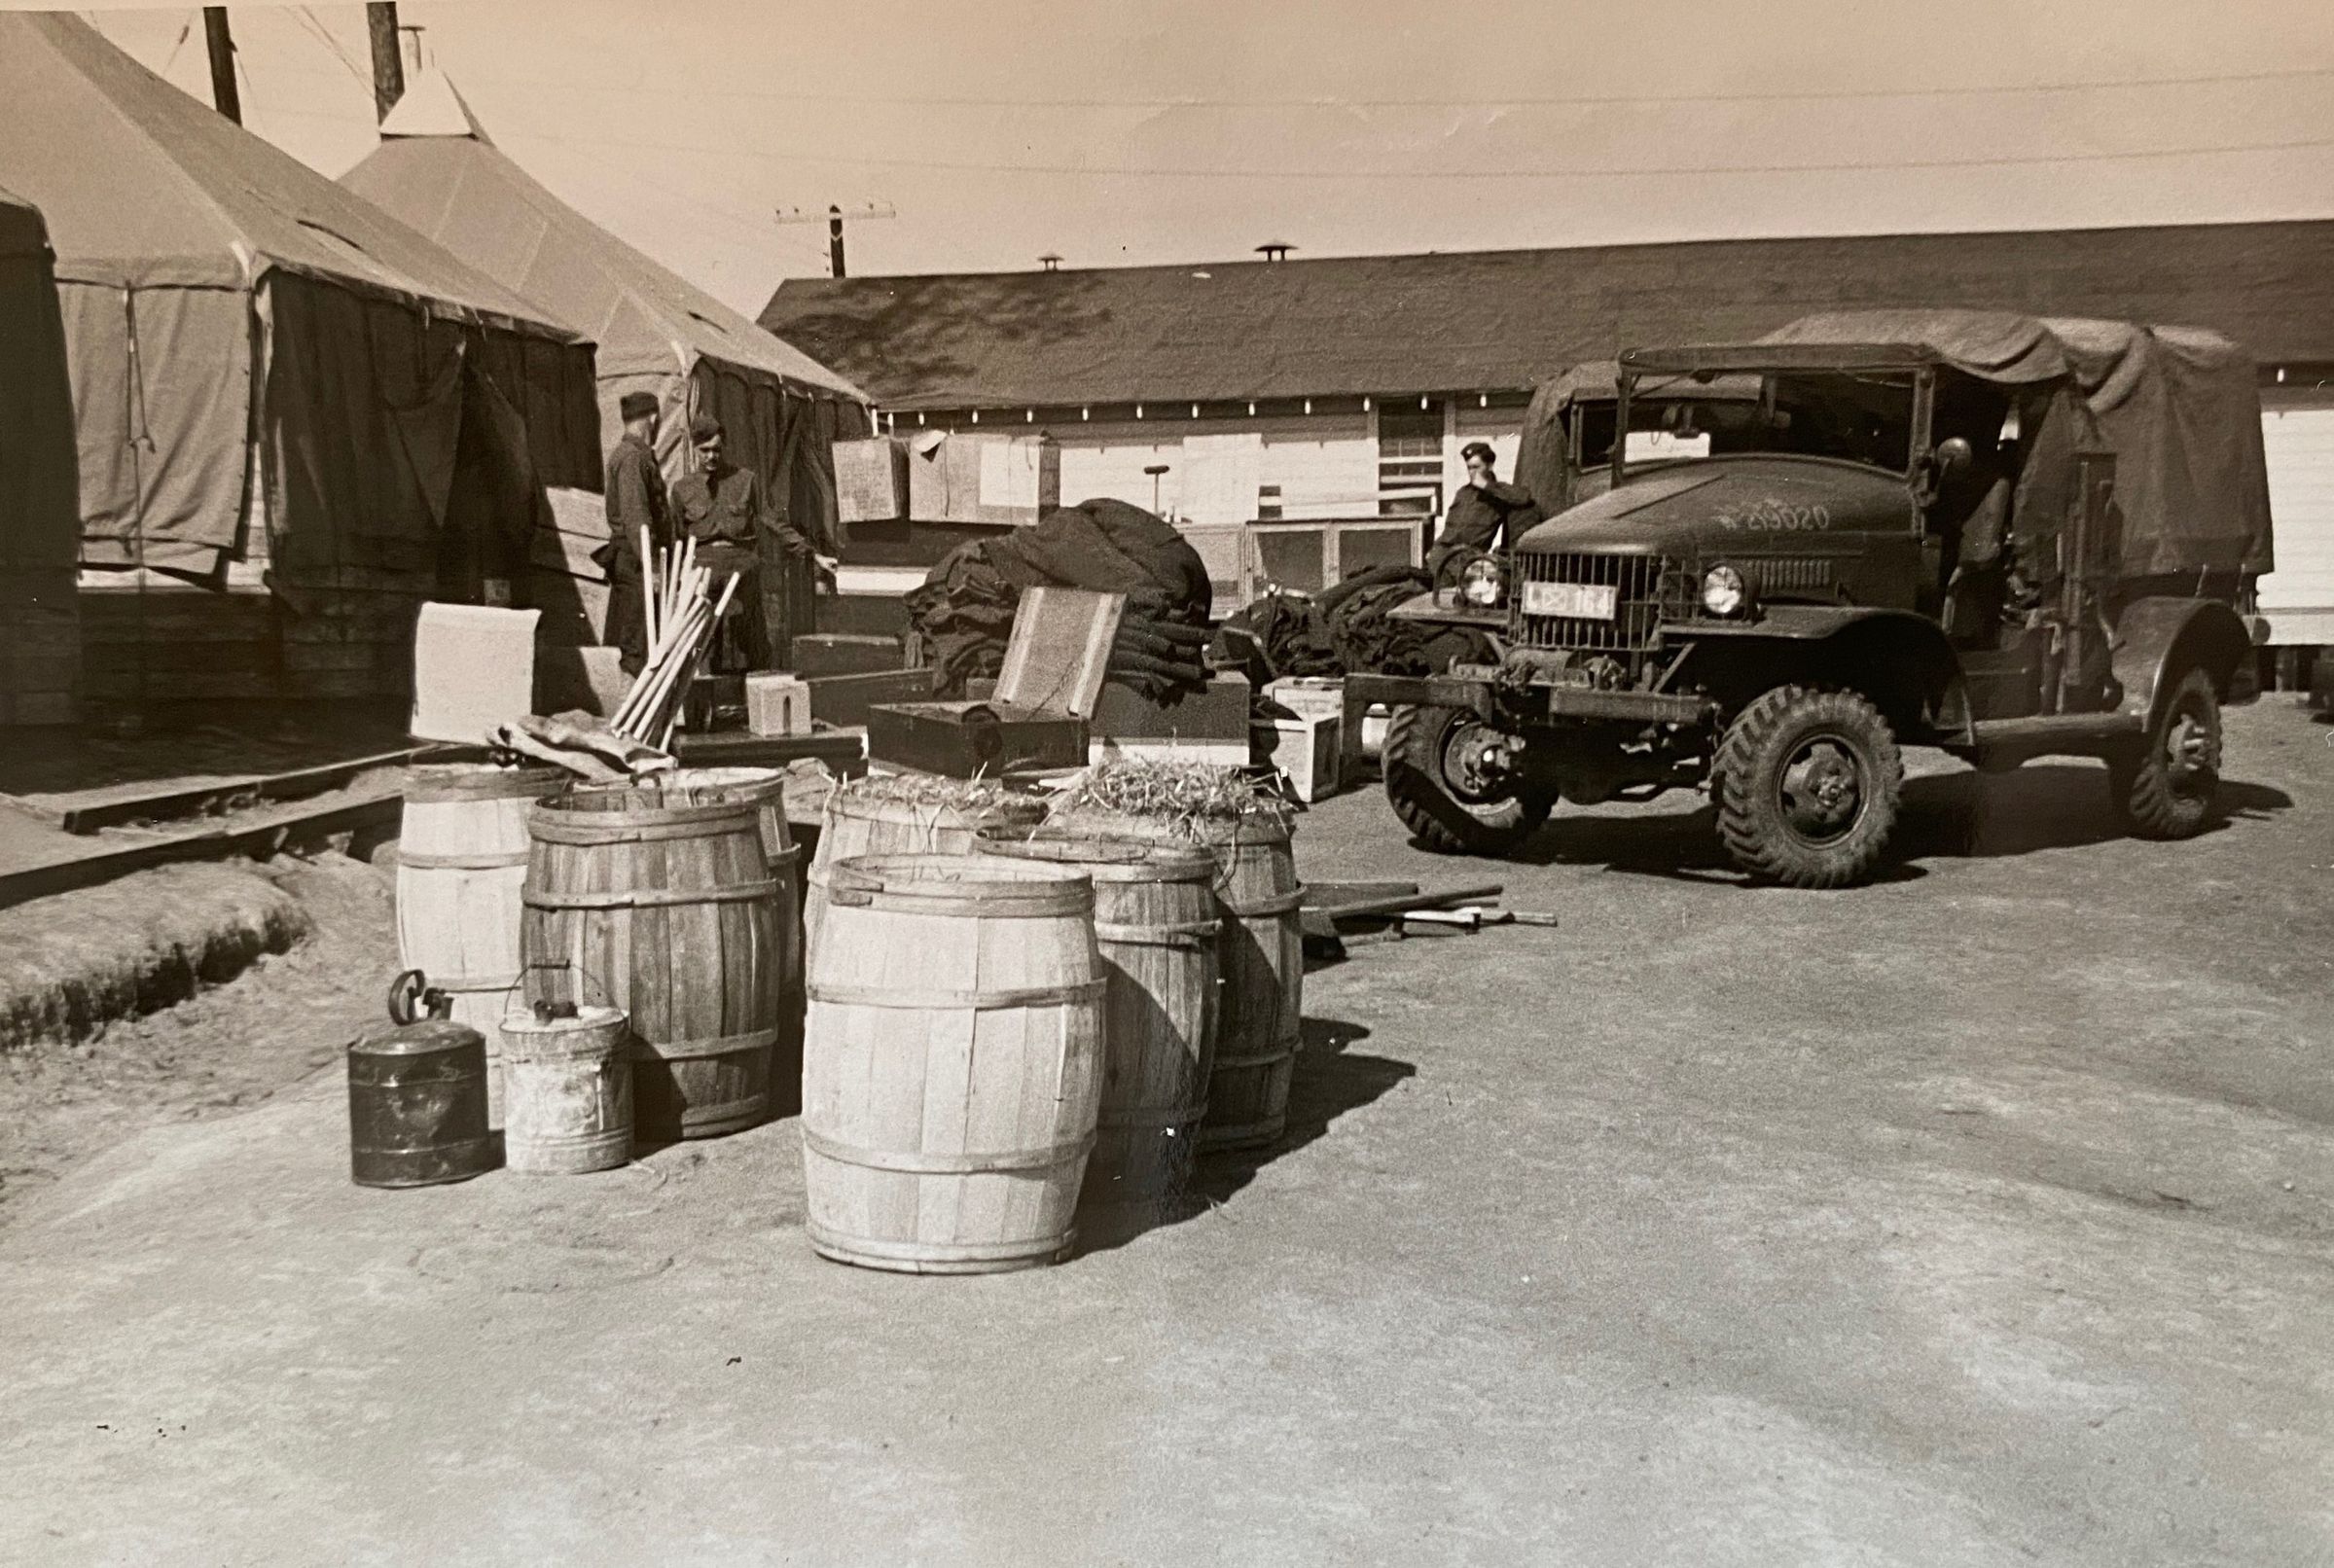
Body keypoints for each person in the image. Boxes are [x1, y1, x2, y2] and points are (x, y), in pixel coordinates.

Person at [668, 414, 826, 672]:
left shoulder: (745, 480)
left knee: (750, 641)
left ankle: (752, 689)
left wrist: (812, 554)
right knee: (702, 641)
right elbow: (676, 538)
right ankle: (705, 692)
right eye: (704, 450)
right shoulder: (682, 489)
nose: (711, 456)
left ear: (724, 447)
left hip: (741, 568)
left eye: (716, 449)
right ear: (694, 449)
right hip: (702, 570)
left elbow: (772, 520)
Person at [598, 390, 666, 675]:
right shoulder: (633, 458)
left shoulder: (631, 455)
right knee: (637, 646)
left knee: (639, 640)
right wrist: (652, 568)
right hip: (636, 561)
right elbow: (636, 517)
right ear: (653, 419)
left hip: (633, 558)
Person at [1429, 442, 1542, 583]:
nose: (1472, 472)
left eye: (1476, 467)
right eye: (1469, 468)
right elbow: (1450, 530)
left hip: (1468, 557)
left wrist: (1487, 486)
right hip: (1442, 555)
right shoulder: (1463, 493)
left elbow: (1524, 497)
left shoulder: (1499, 493)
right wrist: (1434, 552)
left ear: (1489, 466)